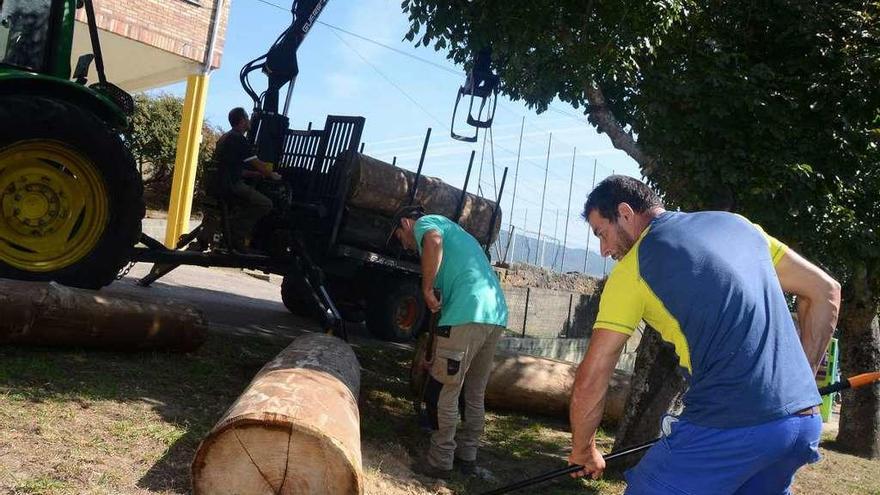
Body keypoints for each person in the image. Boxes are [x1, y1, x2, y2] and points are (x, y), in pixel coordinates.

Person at [568, 175, 841, 494]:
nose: (603, 249)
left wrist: (583, 448)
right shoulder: (738, 226)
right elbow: (826, 292)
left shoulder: (632, 271)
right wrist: (801, 385)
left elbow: (594, 373)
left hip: (731, 424)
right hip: (800, 425)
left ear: (625, 213)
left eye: (602, 233)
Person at [391, 206, 509, 479]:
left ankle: (440, 460)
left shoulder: (426, 224)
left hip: (468, 312)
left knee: (446, 387)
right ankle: (467, 457)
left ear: (406, 223)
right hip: (495, 313)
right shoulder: (457, 234)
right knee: (474, 392)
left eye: (399, 236)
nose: (405, 245)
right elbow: (442, 310)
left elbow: (432, 241)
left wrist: (425, 288)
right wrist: (434, 351)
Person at [212, 107, 281, 251]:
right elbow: (258, 164)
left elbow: (231, 167)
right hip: (232, 185)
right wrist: (272, 175)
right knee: (265, 204)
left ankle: (229, 226)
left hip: (220, 183)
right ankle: (236, 231)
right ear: (243, 120)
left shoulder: (225, 137)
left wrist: (254, 175)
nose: (249, 121)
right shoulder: (239, 139)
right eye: (247, 119)